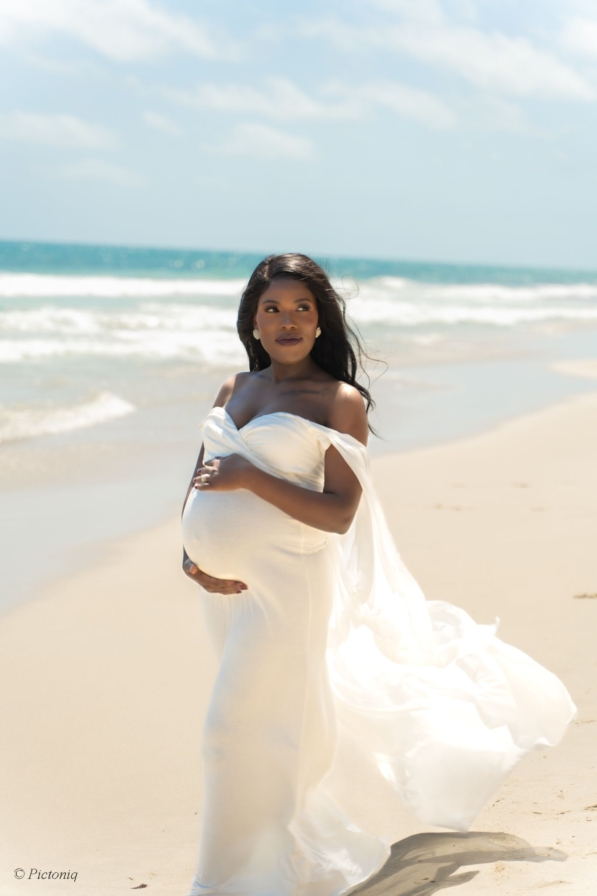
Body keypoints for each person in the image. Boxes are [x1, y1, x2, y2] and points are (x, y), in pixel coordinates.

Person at [180, 253, 576, 895]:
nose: (288, 321)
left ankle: (224, 883)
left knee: (229, 731)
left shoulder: (339, 402)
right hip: (226, 591)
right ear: (253, 320)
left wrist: (251, 476)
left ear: (321, 321)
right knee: (264, 732)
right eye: (273, 309)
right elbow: (203, 473)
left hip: (287, 589)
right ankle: (271, 863)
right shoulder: (234, 388)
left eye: (302, 308)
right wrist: (191, 554)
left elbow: (339, 513)